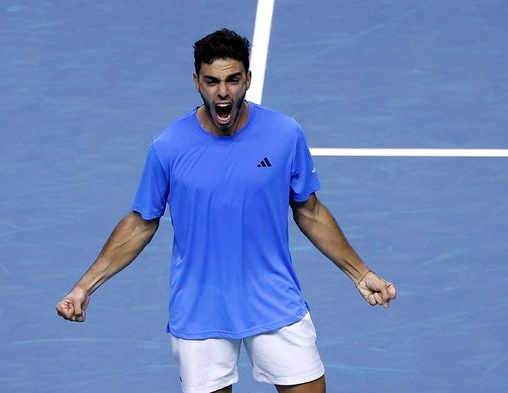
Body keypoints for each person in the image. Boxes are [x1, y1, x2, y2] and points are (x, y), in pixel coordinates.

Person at [56, 28, 397, 393]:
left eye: (233, 80)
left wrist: (360, 274)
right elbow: (141, 223)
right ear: (196, 82)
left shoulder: (285, 134)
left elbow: (309, 212)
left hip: (273, 301)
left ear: (248, 79)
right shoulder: (168, 146)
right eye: (212, 81)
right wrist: (84, 287)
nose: (223, 92)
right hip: (201, 310)